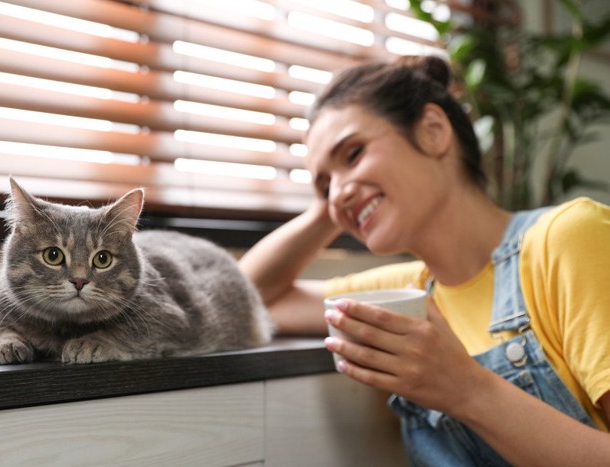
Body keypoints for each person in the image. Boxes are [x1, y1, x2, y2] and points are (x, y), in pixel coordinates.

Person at [239, 55, 610, 466]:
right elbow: (249, 298)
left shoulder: (567, 240)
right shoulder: (406, 296)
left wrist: (468, 391)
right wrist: (329, 206)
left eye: (353, 153)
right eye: (324, 184)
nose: (338, 192)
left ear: (433, 131)